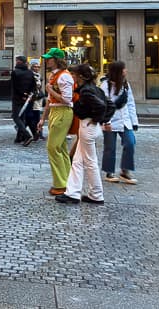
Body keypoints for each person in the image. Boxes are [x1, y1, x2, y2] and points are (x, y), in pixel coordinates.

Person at [55, 64, 108, 205]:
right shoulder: (95, 89)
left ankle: (96, 194)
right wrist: (101, 120)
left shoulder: (86, 91)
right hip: (91, 126)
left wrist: (96, 119)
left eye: (74, 74)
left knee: (90, 161)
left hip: (87, 126)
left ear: (80, 76)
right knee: (78, 161)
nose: (72, 76)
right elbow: (110, 105)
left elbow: (101, 106)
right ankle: (73, 192)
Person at [38, 48, 74, 196]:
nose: (47, 60)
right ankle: (67, 181)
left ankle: (60, 184)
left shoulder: (64, 77)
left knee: (53, 148)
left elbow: (67, 99)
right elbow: (49, 100)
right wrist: (43, 118)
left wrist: (50, 90)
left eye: (49, 58)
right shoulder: (55, 75)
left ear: (56, 60)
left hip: (62, 111)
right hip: (56, 111)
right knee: (61, 148)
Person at [101, 60, 139, 184]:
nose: (126, 71)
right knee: (109, 147)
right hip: (110, 120)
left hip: (125, 120)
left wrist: (134, 121)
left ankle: (125, 170)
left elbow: (131, 103)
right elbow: (104, 105)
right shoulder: (105, 85)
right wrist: (107, 122)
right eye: (124, 69)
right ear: (118, 71)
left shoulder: (126, 85)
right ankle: (109, 171)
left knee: (130, 142)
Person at [10, 55, 37, 144]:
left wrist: (22, 94)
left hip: (17, 98)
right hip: (26, 98)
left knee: (16, 117)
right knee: (22, 117)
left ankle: (27, 135)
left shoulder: (15, 72)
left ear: (19, 62)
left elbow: (15, 86)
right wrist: (28, 94)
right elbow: (34, 85)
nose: (16, 62)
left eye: (17, 60)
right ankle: (19, 137)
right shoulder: (30, 72)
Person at [24, 59, 44, 139]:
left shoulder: (38, 75)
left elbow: (39, 87)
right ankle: (37, 133)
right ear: (31, 67)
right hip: (33, 98)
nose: (36, 68)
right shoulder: (30, 75)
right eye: (35, 66)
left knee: (35, 116)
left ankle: (38, 133)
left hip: (38, 98)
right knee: (33, 116)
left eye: (38, 67)